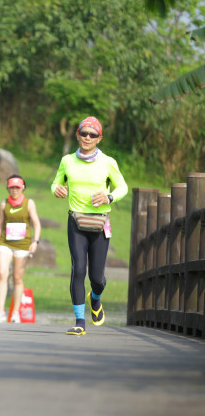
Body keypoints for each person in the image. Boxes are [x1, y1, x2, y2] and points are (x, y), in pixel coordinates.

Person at [51, 116, 128, 335]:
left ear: (99, 138)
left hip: (100, 223)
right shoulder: (67, 161)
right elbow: (57, 182)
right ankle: (79, 321)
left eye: (92, 134)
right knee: (78, 270)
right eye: (83, 133)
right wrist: (56, 189)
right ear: (77, 134)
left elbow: (122, 187)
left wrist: (109, 197)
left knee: (96, 278)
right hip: (76, 221)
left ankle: (95, 298)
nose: (87, 137)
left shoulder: (108, 162)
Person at [0, 175, 41, 323]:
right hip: (5, 244)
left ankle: (15, 313)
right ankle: (0, 310)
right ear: (8, 188)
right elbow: (0, 225)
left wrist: (35, 242)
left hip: (22, 245)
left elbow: (36, 224)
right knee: (2, 274)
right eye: (11, 187)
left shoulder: (29, 203)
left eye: (17, 187)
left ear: (23, 188)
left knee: (17, 278)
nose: (14, 190)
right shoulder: (4, 204)